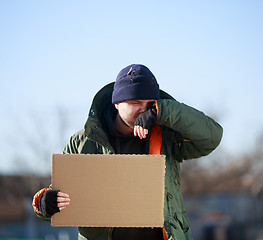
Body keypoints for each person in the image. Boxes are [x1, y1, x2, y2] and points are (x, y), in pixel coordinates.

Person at [32, 64, 223, 240]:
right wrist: (45, 203)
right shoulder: (83, 142)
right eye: (136, 102)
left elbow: (212, 137)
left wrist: (162, 111)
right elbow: (59, 197)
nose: (143, 110)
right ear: (116, 102)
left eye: (150, 104)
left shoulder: (166, 135)